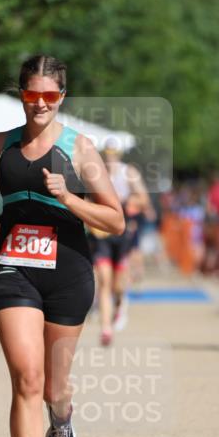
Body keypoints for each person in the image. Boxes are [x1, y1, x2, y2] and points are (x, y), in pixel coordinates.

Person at [0, 55, 124, 437]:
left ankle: (62, 417)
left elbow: (115, 220)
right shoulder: (0, 145)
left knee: (54, 386)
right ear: (21, 95)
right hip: (14, 267)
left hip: (68, 274)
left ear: (61, 99)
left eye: (49, 97)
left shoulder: (80, 150)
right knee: (27, 379)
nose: (39, 105)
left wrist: (70, 198)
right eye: (31, 95)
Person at [88, 142, 152, 346]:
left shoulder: (128, 172)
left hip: (121, 233)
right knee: (104, 281)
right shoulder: (94, 174)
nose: (109, 158)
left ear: (118, 155)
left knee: (117, 284)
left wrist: (129, 202)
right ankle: (106, 329)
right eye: (106, 154)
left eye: (113, 155)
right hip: (100, 235)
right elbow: (85, 199)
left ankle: (121, 303)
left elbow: (144, 199)